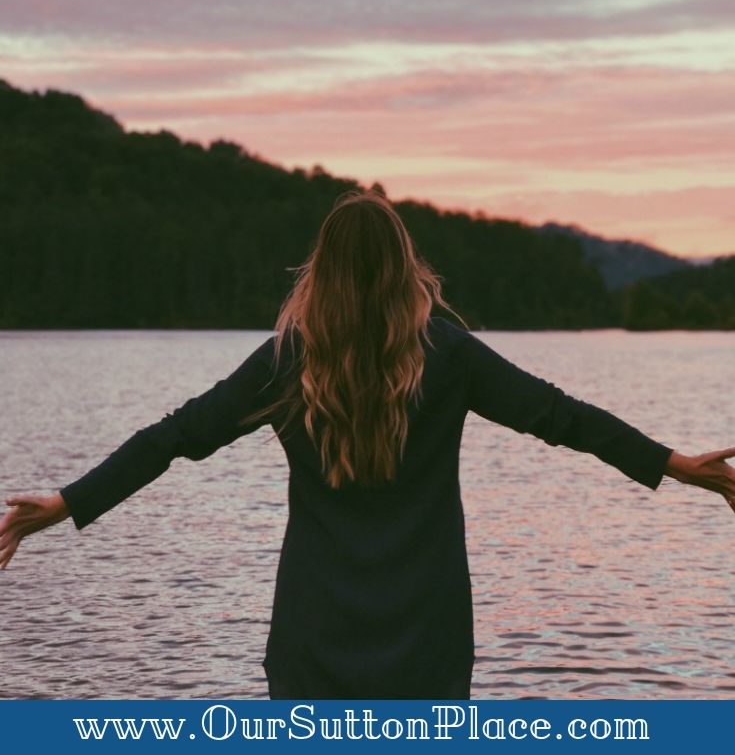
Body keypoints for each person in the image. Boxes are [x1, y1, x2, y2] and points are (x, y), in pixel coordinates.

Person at [1, 190, 734, 699]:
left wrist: (64, 505)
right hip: (427, 630)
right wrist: (673, 464)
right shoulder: (447, 355)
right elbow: (562, 416)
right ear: (401, 263)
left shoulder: (286, 362)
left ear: (320, 266)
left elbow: (171, 438)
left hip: (313, 632)